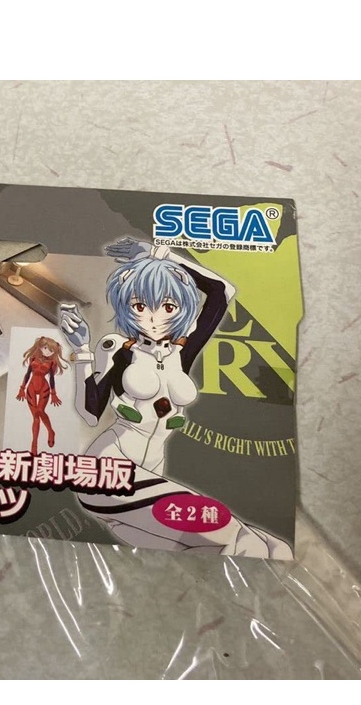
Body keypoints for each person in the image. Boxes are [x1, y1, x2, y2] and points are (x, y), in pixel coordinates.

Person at [59, 237, 292, 558]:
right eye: (140, 307)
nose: (154, 318)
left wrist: (161, 254)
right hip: (108, 471)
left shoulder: (182, 352)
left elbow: (222, 291)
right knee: (231, 535)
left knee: (261, 550)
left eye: (168, 307)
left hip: (151, 475)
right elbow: (89, 412)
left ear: (182, 308)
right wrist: (81, 350)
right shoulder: (118, 350)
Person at [16, 336, 68, 454]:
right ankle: (34, 444)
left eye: (51, 350)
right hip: (31, 387)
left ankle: (50, 431)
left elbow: (52, 378)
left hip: (44, 387)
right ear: (40, 347)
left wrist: (53, 393)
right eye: (45, 348)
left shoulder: (52, 362)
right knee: (35, 417)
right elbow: (28, 374)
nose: (47, 352)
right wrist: (22, 388)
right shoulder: (34, 357)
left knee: (40, 411)